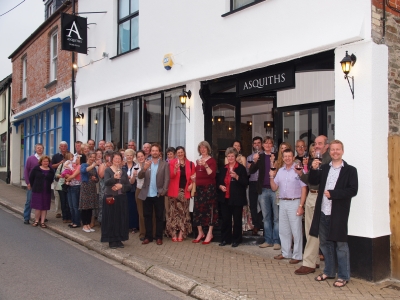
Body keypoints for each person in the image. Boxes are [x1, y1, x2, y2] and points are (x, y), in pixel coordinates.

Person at [309, 140, 358, 288]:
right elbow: (312, 181)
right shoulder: (324, 168)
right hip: (323, 211)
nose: (335, 152)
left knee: (341, 245)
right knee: (325, 244)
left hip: (338, 213)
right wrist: (313, 169)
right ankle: (329, 272)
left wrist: (333, 194)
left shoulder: (350, 170)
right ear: (329, 152)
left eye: (338, 149)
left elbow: (352, 190)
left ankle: (343, 276)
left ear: (342, 151)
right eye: (333, 150)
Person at [294, 136, 331, 275]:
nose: (317, 146)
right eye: (315, 144)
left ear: (326, 146)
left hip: (320, 197)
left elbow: (320, 182)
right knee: (309, 229)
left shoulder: (327, 161)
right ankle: (314, 260)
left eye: (320, 144)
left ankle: (308, 263)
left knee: (314, 230)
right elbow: (310, 181)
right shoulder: (315, 160)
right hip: (311, 195)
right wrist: (300, 174)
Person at [269, 149, 307, 263]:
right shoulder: (280, 171)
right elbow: (274, 188)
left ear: (293, 157)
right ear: (283, 157)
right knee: (284, 229)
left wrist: (301, 205)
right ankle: (286, 253)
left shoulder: (298, 169)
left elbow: (304, 188)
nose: (287, 158)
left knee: (296, 230)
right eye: (285, 156)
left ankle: (297, 256)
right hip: (283, 202)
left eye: (289, 156)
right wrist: (271, 177)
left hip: (295, 201)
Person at [249, 136, 280, 249]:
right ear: (263, 145)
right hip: (262, 190)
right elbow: (251, 171)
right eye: (265, 143)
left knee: (276, 217)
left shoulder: (277, 156)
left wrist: (274, 162)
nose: (267, 145)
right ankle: (268, 240)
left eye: (269, 143)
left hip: (275, 190)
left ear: (272, 145)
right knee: (266, 217)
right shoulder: (260, 156)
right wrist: (255, 160)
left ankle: (277, 241)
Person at [138, 143, 170, 245]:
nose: (155, 152)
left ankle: (159, 237)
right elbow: (140, 176)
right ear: (150, 152)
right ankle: (148, 237)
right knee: (147, 216)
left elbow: (167, 179)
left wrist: (164, 191)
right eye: (153, 150)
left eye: (157, 150)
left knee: (159, 216)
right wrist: (144, 168)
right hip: (146, 194)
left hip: (158, 194)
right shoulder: (146, 162)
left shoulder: (164, 164)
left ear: (159, 152)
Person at [218, 147, 249, 247]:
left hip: (237, 198)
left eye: (232, 156)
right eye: (228, 156)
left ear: (235, 157)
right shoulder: (223, 168)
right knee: (225, 220)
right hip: (225, 198)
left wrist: (236, 177)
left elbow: (245, 182)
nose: (230, 158)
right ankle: (225, 239)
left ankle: (236, 240)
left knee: (237, 220)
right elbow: (218, 181)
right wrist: (220, 186)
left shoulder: (241, 168)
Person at [101, 152, 131, 249]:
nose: (117, 160)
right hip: (110, 197)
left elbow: (129, 186)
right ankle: (111, 240)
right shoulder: (108, 171)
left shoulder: (124, 172)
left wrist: (121, 186)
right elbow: (106, 182)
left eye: (119, 158)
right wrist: (114, 178)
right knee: (111, 219)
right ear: (112, 159)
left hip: (121, 198)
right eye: (115, 158)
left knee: (120, 219)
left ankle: (119, 239)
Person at [166, 146, 194, 241]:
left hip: (184, 191)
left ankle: (181, 233)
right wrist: (174, 170)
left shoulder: (190, 164)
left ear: (184, 153)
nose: (180, 154)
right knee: (173, 213)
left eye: (182, 152)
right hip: (174, 191)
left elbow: (193, 176)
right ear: (176, 154)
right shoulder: (172, 162)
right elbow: (170, 176)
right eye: (178, 152)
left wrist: (191, 184)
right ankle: (173, 233)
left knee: (183, 213)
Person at [192, 141, 218, 245]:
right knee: (198, 210)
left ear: (208, 149)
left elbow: (212, 176)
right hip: (199, 189)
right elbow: (196, 174)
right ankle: (200, 232)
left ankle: (210, 233)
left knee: (210, 210)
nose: (202, 150)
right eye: (201, 148)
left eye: (204, 148)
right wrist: (194, 178)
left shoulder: (212, 161)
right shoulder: (197, 161)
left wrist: (206, 165)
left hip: (209, 189)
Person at [135, 150, 156, 241]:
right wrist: (132, 176)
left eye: (141, 156)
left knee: (152, 212)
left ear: (145, 156)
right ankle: (142, 233)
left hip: (149, 190)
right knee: (141, 213)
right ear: (136, 158)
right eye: (138, 156)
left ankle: (153, 233)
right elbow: (132, 181)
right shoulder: (135, 167)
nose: (140, 158)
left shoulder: (150, 164)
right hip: (139, 190)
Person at [29, 155, 55, 228]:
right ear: (41, 162)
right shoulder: (36, 169)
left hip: (46, 191)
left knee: (44, 207)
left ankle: (42, 222)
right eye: (44, 161)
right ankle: (36, 220)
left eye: (47, 161)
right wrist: (33, 185)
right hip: (37, 190)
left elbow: (51, 180)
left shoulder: (51, 170)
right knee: (38, 206)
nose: (46, 163)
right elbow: (31, 178)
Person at [23, 143, 44, 224]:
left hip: (42, 184)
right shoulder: (30, 159)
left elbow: (49, 169)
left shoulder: (45, 158)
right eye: (38, 148)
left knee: (41, 201)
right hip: (32, 183)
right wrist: (28, 182)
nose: (39, 149)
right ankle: (26, 217)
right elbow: (26, 171)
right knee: (29, 201)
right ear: (35, 149)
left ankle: (40, 218)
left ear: (43, 149)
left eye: (41, 148)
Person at [246, 136, 262, 235]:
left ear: (261, 144)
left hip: (262, 183)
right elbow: (247, 172)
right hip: (252, 183)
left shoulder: (264, 156)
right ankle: (256, 225)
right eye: (255, 143)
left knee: (263, 204)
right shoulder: (249, 157)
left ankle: (261, 223)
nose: (257, 144)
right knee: (253, 206)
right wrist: (249, 168)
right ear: (252, 145)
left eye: (258, 143)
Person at [80, 152, 99, 233]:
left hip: (92, 188)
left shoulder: (94, 168)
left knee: (90, 207)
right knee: (85, 207)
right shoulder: (84, 165)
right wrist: (93, 165)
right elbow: (84, 171)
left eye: (94, 157)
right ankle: (84, 225)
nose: (92, 159)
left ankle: (88, 224)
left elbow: (97, 179)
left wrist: (95, 179)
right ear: (88, 157)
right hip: (85, 187)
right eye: (91, 157)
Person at [123, 149, 139, 234]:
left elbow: (133, 181)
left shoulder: (136, 166)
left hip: (133, 189)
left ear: (133, 157)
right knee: (125, 208)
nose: (129, 157)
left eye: (131, 155)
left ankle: (133, 226)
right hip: (124, 189)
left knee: (133, 208)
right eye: (127, 155)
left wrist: (130, 177)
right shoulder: (122, 166)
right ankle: (126, 225)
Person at [52, 141, 68, 218]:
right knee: (57, 195)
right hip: (58, 179)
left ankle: (65, 212)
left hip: (67, 179)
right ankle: (58, 211)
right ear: (59, 147)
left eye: (65, 146)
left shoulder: (69, 155)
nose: (63, 148)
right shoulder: (56, 156)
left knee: (66, 196)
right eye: (62, 146)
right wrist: (60, 163)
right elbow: (52, 166)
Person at [54, 152, 72, 224]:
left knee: (69, 202)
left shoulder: (72, 166)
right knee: (63, 202)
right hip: (61, 186)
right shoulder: (61, 165)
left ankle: (69, 217)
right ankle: (65, 217)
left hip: (69, 185)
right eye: (71, 157)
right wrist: (62, 176)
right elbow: (56, 174)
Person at [65, 155, 82, 228]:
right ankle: (73, 220)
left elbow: (73, 176)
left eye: (78, 158)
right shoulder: (73, 165)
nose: (76, 159)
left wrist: (68, 179)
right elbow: (65, 172)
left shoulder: (80, 166)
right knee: (71, 206)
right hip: (70, 186)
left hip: (76, 186)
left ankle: (77, 222)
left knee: (75, 206)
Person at [97, 150, 113, 225]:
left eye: (110, 155)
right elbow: (101, 175)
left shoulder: (115, 164)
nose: (108, 157)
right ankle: (102, 220)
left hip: (112, 187)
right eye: (107, 156)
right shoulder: (102, 165)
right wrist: (106, 166)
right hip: (104, 187)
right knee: (103, 204)